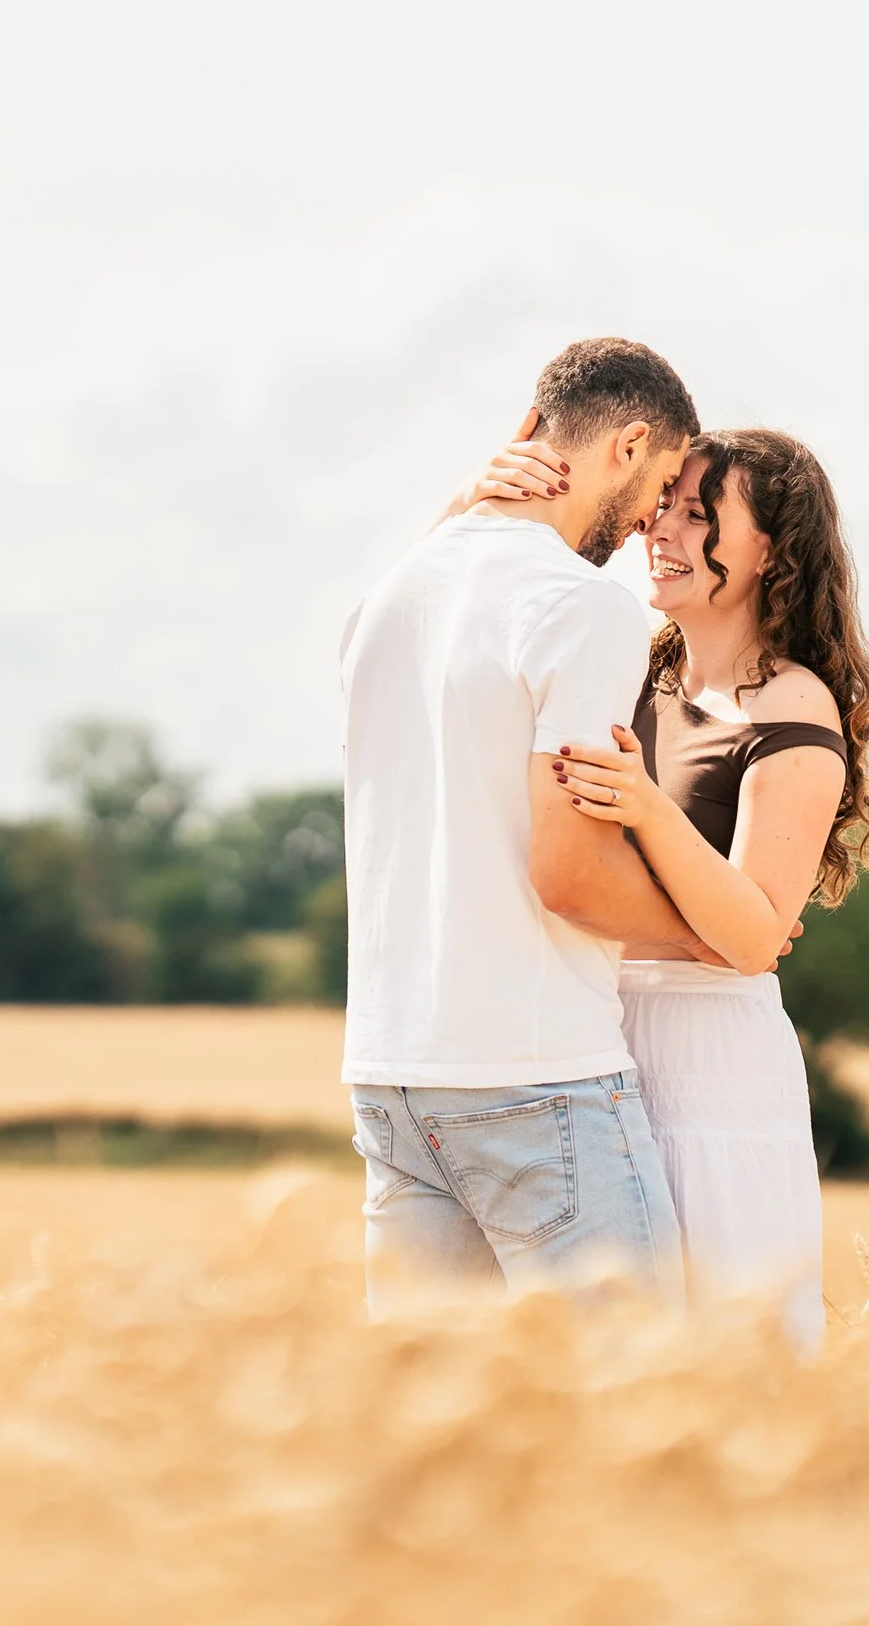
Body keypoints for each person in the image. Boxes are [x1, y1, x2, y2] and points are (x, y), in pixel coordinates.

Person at [459, 426, 869, 1349]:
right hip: (586, 1035)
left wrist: (649, 811)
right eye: (664, 506)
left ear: (772, 548)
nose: (662, 530)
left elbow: (752, 935)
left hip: (713, 1063)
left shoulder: (793, 708)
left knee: (726, 1346)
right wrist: (477, 508)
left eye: (700, 515)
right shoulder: (627, 676)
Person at [338, 337, 710, 1315]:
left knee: (442, 1440)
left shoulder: (387, 596)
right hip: (535, 1074)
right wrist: (704, 931)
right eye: (659, 485)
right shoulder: (581, 606)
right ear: (628, 445)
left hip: (390, 1077)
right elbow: (569, 873)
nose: (642, 529)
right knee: (643, 1416)